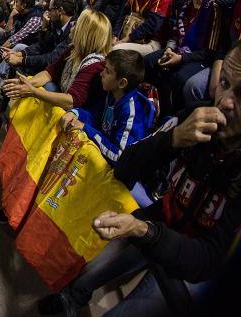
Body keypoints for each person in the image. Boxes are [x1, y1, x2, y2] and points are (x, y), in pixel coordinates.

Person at [39, 40, 241, 316]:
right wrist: (173, 138)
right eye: (225, 83)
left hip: (198, 270)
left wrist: (145, 231)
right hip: (161, 222)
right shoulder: (196, 117)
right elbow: (125, 167)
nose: (225, 102)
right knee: (90, 269)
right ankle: (72, 298)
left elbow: (208, 261)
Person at [59, 49, 156, 203]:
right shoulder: (112, 94)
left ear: (122, 82)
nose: (101, 73)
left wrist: (85, 128)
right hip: (104, 162)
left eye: (108, 71)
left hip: (125, 180)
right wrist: (75, 113)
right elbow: (95, 115)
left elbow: (118, 157)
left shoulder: (132, 112)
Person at [2, 9, 112, 114]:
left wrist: (33, 91)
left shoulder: (95, 65)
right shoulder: (73, 49)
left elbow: (72, 101)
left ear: (85, 33)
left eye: (76, 23)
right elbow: (49, 73)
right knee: (45, 86)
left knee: (48, 88)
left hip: (78, 115)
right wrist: (25, 84)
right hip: (64, 97)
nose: (72, 24)